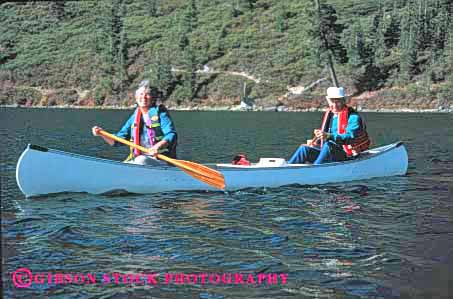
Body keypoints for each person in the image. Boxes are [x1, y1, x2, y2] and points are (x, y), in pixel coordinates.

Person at [92, 80, 177, 165]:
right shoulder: (135, 117)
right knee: (131, 162)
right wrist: (102, 134)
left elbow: (171, 134)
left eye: (147, 94)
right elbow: (117, 141)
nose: (143, 97)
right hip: (140, 160)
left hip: (160, 160)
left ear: (152, 98)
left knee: (141, 160)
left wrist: (157, 147)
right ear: (136, 98)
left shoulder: (161, 114)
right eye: (141, 94)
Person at [288, 86, 370, 164]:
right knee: (304, 149)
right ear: (328, 101)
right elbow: (327, 135)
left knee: (329, 145)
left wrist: (328, 136)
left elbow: (350, 138)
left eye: (338, 101)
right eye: (332, 101)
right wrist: (316, 141)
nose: (334, 105)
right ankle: (288, 169)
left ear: (343, 101)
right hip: (333, 153)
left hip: (349, 156)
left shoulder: (354, 117)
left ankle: (314, 169)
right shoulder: (331, 115)